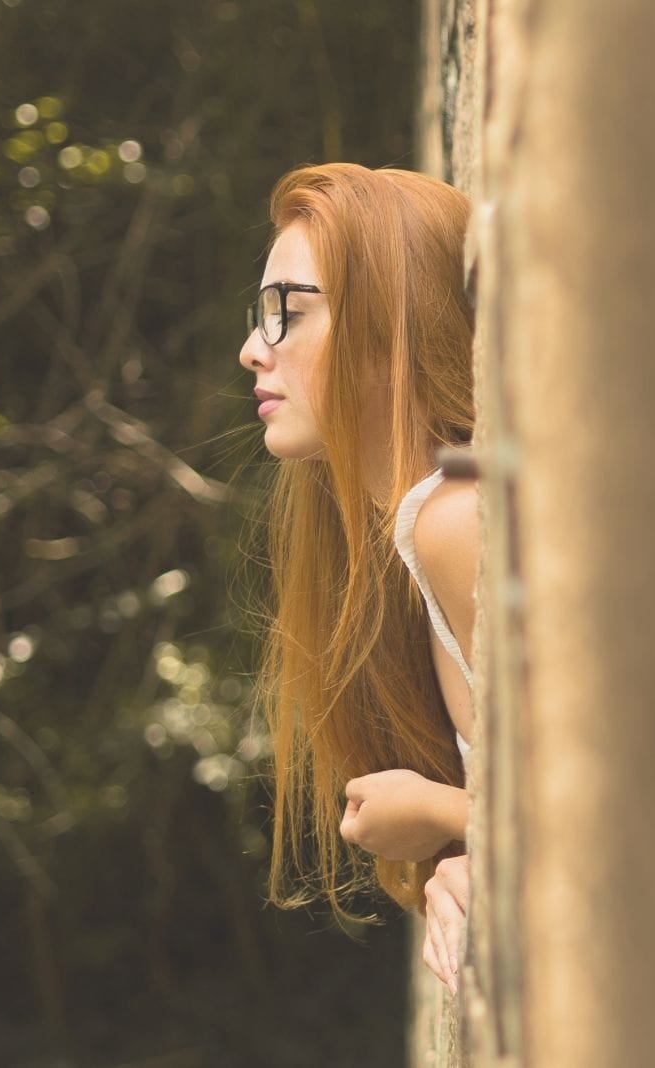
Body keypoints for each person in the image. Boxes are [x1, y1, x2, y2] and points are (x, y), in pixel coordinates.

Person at [238, 163, 477, 994]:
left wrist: (456, 819)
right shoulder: (421, 533)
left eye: (286, 314)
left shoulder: (461, 520)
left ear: (390, 322)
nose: (251, 350)